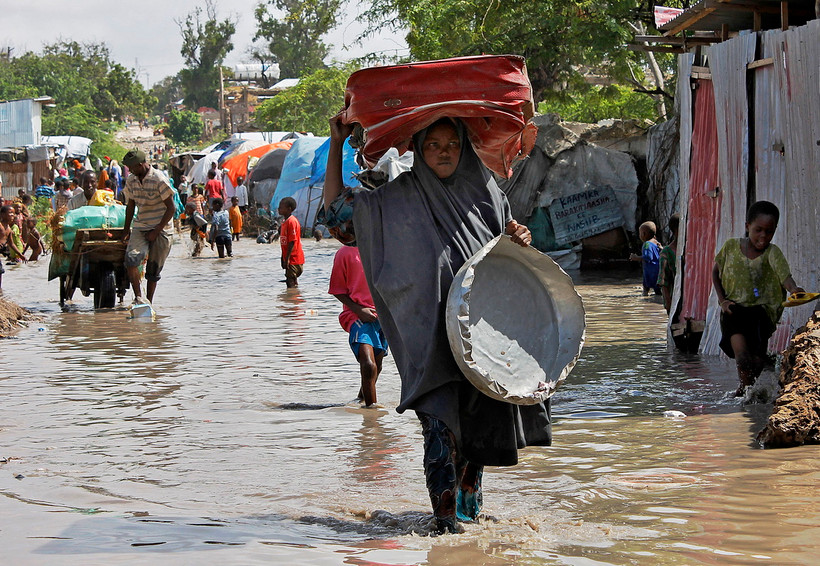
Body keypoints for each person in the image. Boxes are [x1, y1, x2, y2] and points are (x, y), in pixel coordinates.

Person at [323, 114, 548, 534]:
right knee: (440, 429)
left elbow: (504, 260)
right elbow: (336, 217)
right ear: (417, 150)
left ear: (464, 147)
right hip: (427, 336)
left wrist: (518, 236)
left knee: (476, 438)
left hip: (482, 338)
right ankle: (445, 528)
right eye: (432, 145)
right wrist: (336, 144)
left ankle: (468, 523)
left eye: (451, 144)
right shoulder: (396, 199)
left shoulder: (488, 197)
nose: (443, 152)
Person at [713, 200, 803, 396]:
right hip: (733, 310)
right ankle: (745, 395)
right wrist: (722, 300)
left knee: (757, 361)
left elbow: (785, 277)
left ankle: (746, 395)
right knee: (743, 359)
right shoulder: (730, 247)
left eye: (769, 232)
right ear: (747, 226)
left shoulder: (772, 253)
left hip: (761, 314)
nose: (763, 236)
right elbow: (715, 272)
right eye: (758, 230)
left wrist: (794, 289)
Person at [329, 244, 388, 407]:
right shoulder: (345, 253)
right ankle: (371, 412)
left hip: (383, 316)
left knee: (378, 365)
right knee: (368, 364)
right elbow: (337, 289)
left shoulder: (382, 248)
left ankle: (361, 398)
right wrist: (359, 309)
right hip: (357, 315)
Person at [121, 149, 176, 304]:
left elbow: (171, 208)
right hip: (141, 224)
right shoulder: (131, 180)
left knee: (153, 270)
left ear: (140, 165)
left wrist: (156, 231)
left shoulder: (159, 179)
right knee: (131, 259)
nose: (130, 171)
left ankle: (149, 302)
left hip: (162, 227)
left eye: (132, 168)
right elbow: (130, 206)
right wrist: (126, 230)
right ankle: (139, 298)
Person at [630, 221, 661, 296]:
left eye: (640, 233)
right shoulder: (656, 242)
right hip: (658, 270)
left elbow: (648, 257)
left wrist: (636, 258)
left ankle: (645, 297)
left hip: (650, 271)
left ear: (644, 234)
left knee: (646, 287)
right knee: (658, 291)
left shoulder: (647, 244)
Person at [278, 197, 304, 288]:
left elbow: (292, 241)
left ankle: (292, 299)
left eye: (281, 207)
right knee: (291, 280)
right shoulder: (284, 222)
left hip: (294, 258)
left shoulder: (292, 221)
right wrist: (283, 257)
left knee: (290, 282)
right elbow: (284, 242)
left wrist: (288, 258)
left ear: (289, 209)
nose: (279, 209)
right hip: (288, 258)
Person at [658, 214, 680, 313]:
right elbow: (663, 280)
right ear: (676, 230)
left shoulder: (691, 250)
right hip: (675, 300)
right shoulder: (666, 252)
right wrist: (668, 303)